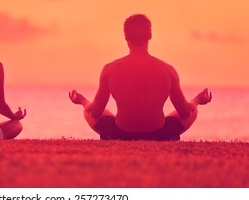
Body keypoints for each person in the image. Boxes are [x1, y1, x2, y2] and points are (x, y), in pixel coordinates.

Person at [69, 14, 212, 141]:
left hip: (119, 134)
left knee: (88, 110)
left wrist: (82, 101)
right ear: (150, 35)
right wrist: (197, 100)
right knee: (194, 111)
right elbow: (185, 112)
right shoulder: (168, 70)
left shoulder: (110, 69)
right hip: (160, 135)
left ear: (126, 37)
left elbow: (95, 112)